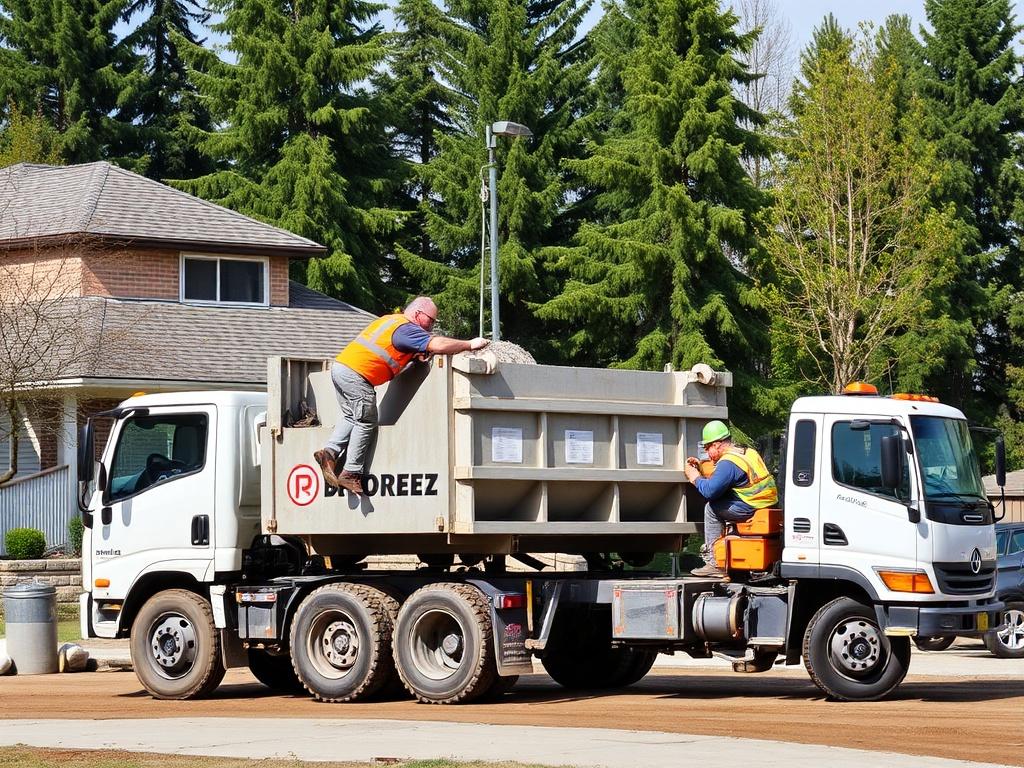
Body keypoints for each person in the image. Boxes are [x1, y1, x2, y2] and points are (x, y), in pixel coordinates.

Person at [314, 297, 488, 494]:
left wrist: (413, 355)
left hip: (342, 368)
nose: (431, 326)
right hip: (358, 375)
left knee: (351, 416)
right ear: (417, 314)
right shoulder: (407, 329)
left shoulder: (391, 321)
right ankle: (351, 472)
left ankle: (329, 452)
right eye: (430, 321)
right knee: (366, 421)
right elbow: (438, 345)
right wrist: (470, 344)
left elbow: (391, 348)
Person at [683, 420, 778, 577]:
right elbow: (727, 477)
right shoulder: (747, 452)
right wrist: (701, 467)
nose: (707, 453)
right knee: (726, 498)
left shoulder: (728, 463)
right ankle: (732, 542)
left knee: (712, 508)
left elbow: (710, 491)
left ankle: (714, 563)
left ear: (718, 445)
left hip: (751, 506)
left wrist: (695, 477)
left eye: (708, 448)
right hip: (766, 503)